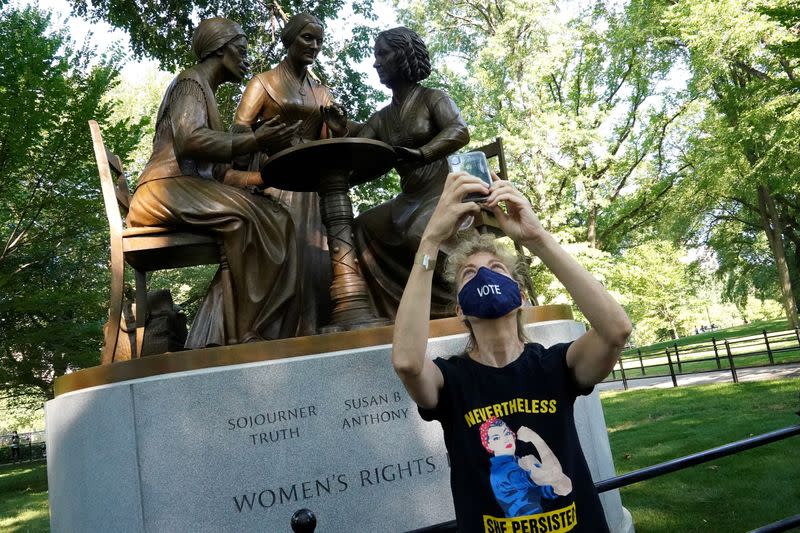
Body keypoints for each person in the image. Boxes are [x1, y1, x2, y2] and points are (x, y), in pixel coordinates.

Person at [391, 171, 632, 532]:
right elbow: (408, 362)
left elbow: (616, 330)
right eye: (469, 274)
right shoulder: (451, 380)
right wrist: (430, 239)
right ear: (460, 309)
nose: (484, 277)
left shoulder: (555, 365)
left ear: (519, 296)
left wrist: (537, 238)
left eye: (496, 268)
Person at [127, 17, 302, 348]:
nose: (247, 59)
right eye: (242, 50)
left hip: (186, 187)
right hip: (163, 190)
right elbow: (190, 140)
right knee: (248, 217)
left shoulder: (205, 93)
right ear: (222, 50)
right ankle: (248, 331)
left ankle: (256, 325)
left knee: (277, 214)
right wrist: (255, 142)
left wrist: (263, 178)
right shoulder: (190, 84)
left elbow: (216, 172)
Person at [233, 12, 352, 335]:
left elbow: (327, 141)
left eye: (319, 41)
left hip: (312, 184)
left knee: (320, 252)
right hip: (278, 178)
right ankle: (277, 330)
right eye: (307, 38)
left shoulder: (320, 91)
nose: (314, 46)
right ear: (290, 39)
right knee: (289, 250)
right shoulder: (263, 83)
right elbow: (238, 130)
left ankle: (316, 325)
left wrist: (337, 129)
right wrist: (263, 139)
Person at [353, 27, 470, 319]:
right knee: (361, 227)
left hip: (443, 192)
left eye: (383, 54)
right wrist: (338, 126)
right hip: (409, 198)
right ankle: (395, 308)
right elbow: (361, 146)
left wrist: (424, 152)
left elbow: (459, 130)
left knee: (421, 232)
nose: (376, 63)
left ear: (403, 55)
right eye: (375, 56)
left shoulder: (434, 98)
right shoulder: (381, 117)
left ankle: (459, 299)